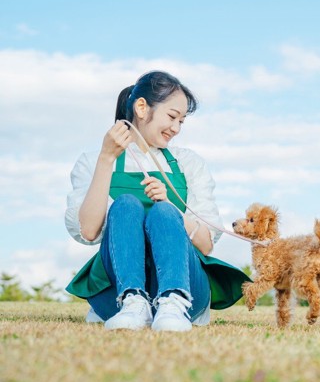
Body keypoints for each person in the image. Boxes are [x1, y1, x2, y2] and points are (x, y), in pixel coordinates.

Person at [65, 71, 250, 332]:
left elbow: (206, 245)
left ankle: (173, 300)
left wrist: (170, 205)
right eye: (172, 117)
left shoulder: (188, 163)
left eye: (181, 122)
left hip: (186, 290)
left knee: (163, 211)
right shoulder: (94, 160)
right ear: (142, 107)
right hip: (116, 292)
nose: (176, 128)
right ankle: (132, 301)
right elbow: (88, 231)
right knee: (126, 204)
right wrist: (107, 159)